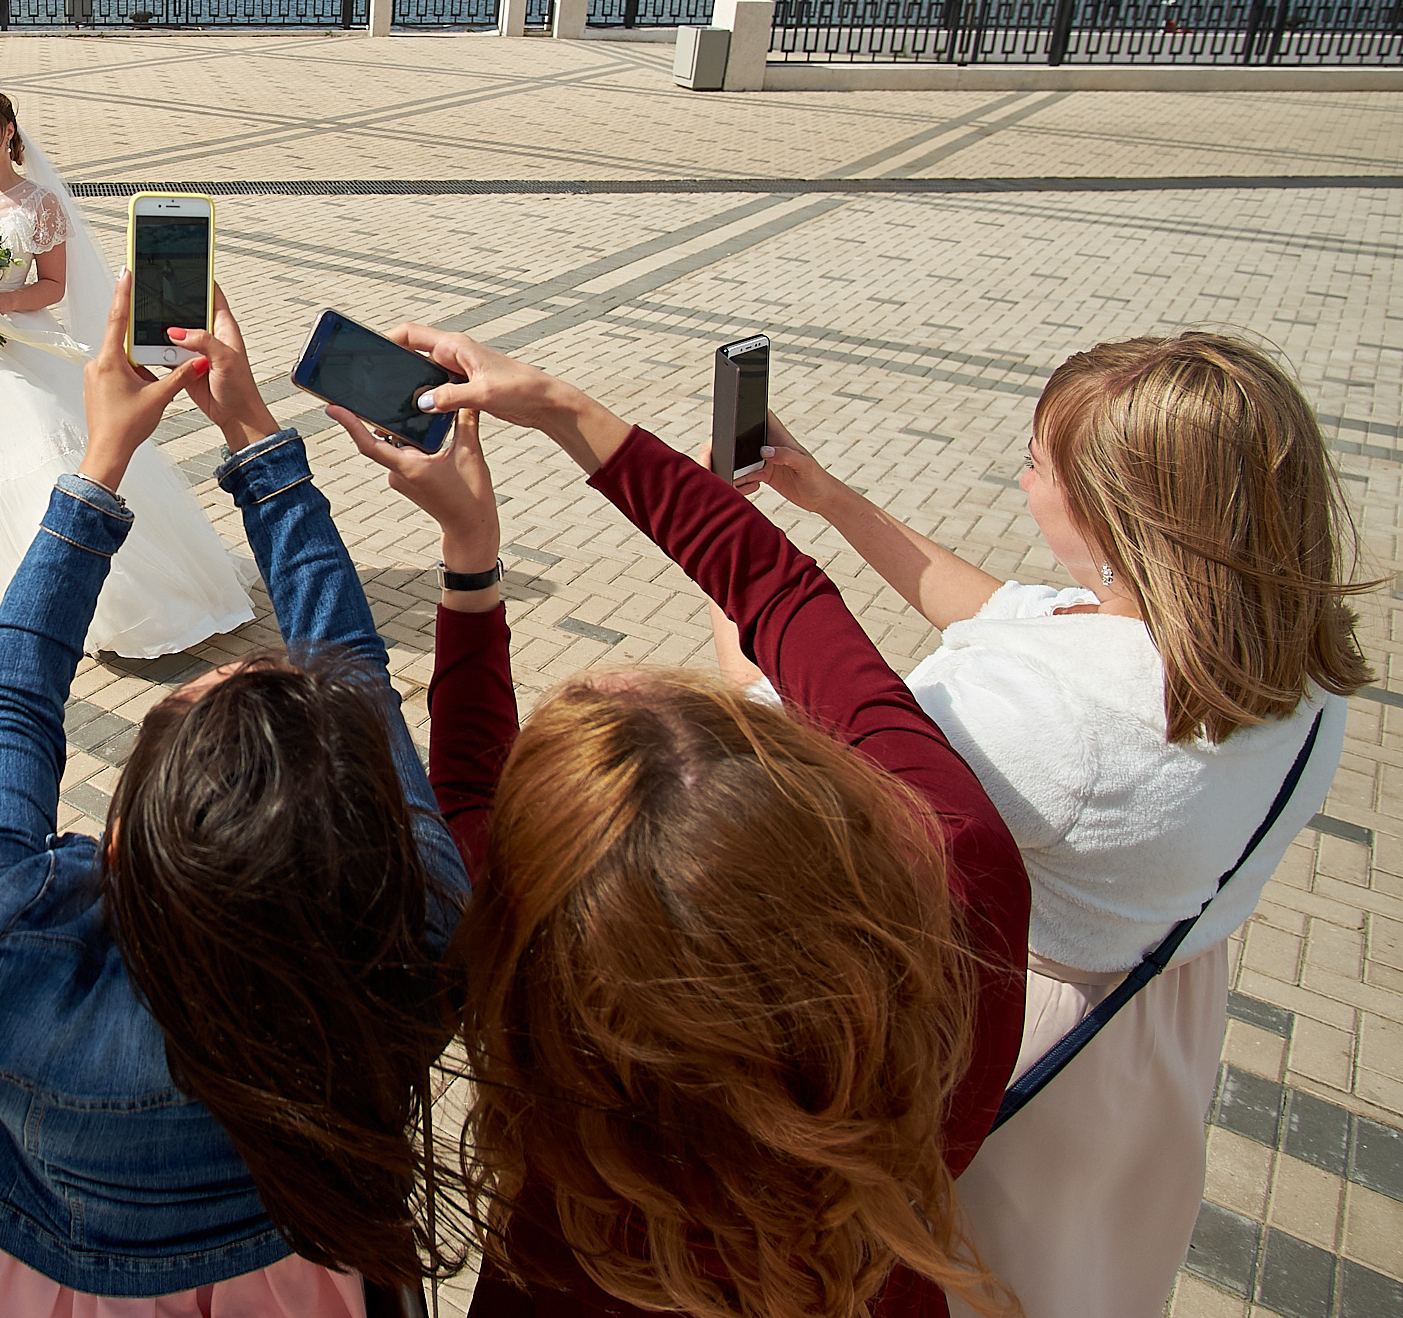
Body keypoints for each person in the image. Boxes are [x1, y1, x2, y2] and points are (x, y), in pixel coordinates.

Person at [336, 327, 1029, 1318]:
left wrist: (470, 560)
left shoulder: (530, 957)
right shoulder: (956, 877)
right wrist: (567, 413)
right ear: (799, 789)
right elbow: (777, 590)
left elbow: (468, 808)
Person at [720, 332, 1368, 1318]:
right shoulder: (1285, 658)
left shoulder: (1056, 717)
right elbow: (1000, 612)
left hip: (1010, 1042)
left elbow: (785, 738)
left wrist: (740, 577)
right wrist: (831, 499)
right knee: (1090, 1273)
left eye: (1035, 463)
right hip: (1150, 1036)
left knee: (974, 1278)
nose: (1021, 476)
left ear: (1117, 518)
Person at [0, 277, 471, 1313]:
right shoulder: (412, 929)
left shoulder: (8, 955)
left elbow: (7, 704)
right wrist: (254, 437)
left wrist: (102, 465)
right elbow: (353, 668)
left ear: (123, 836)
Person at [0, 85, 253, 657]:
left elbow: (53, 286)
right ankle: (0, 570)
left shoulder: (39, 203)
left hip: (20, 340)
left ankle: (107, 586)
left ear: (8, 130)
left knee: (46, 441)